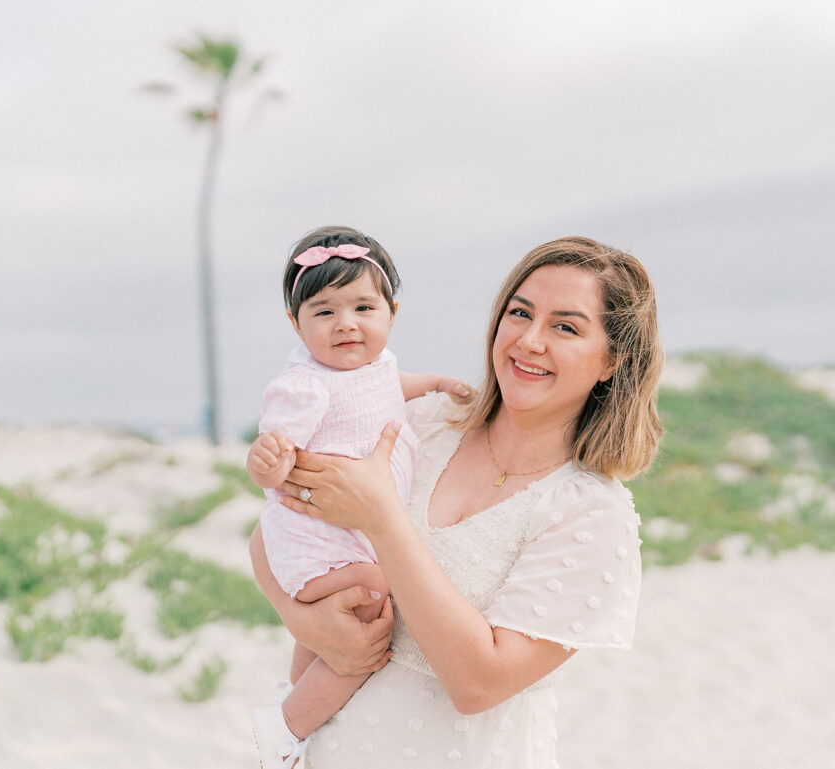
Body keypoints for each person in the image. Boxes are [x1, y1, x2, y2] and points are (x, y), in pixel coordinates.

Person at [250, 235, 663, 768]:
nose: (530, 340)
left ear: (612, 360)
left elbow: (479, 683)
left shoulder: (591, 514)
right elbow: (275, 531)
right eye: (520, 313)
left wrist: (381, 520)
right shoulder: (420, 423)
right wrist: (302, 621)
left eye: (565, 326)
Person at [247, 225, 470, 767]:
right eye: (323, 312)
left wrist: (438, 381)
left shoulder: (380, 367)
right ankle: (288, 724)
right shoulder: (305, 385)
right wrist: (268, 462)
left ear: (391, 311)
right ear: (295, 324)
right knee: (371, 600)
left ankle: (295, 695)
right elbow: (275, 449)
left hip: (354, 530)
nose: (346, 323)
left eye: (362, 307)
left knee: (334, 621)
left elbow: (395, 385)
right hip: (316, 534)